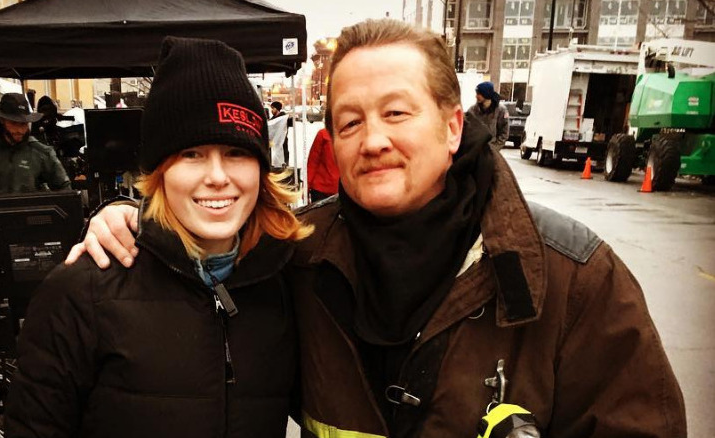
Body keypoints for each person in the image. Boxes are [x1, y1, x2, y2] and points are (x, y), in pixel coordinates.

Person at [68, 20, 686, 437]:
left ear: (451, 126)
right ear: (331, 141)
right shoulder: (295, 261)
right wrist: (132, 227)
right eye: (350, 122)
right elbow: (197, 288)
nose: (375, 140)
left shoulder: (572, 279)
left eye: (396, 112)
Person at [5, 37, 312, 437]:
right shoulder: (83, 291)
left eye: (236, 153)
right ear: (160, 172)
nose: (218, 177)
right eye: (192, 154)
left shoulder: (286, 280)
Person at [0, 92, 71, 195]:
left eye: (23, 124)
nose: (20, 130)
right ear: (2, 120)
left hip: (29, 212)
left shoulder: (41, 152)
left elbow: (65, 189)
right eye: (14, 123)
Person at [467, 81, 509, 151]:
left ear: (486, 94)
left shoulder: (501, 110)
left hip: (491, 152)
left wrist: (494, 149)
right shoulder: (472, 110)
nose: (476, 96)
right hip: (475, 151)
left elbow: (504, 133)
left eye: (478, 94)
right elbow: (467, 130)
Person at [306, 127, 339, 202]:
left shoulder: (323, 134)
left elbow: (312, 162)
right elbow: (312, 163)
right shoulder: (323, 134)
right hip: (321, 190)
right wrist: (306, 187)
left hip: (334, 190)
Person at [270, 101, 292, 165]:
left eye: (273, 108)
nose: (271, 110)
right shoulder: (273, 119)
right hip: (275, 142)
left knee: (284, 153)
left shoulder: (284, 117)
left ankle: (285, 164)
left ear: (277, 108)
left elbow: (290, 123)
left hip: (283, 140)